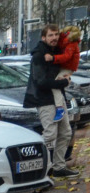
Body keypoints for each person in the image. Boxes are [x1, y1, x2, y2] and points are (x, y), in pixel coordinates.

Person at [25, 25, 77, 178]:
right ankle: (38, 166)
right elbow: (40, 81)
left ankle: (59, 167)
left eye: (56, 35)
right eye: (50, 35)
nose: (54, 38)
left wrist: (65, 80)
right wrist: (63, 83)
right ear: (43, 38)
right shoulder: (39, 55)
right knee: (49, 135)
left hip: (58, 98)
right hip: (45, 100)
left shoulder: (56, 52)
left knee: (65, 132)